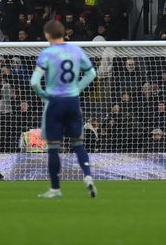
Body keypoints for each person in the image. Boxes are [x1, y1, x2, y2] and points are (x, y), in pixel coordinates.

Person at [30, 20, 97, 199]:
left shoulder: (47, 53)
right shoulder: (76, 50)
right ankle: (88, 176)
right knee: (77, 143)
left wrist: (45, 96)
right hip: (73, 101)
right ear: (64, 33)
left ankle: (55, 188)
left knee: (53, 147)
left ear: (47, 35)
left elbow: (34, 82)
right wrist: (77, 89)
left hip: (55, 102)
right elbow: (92, 73)